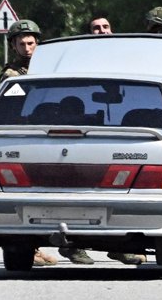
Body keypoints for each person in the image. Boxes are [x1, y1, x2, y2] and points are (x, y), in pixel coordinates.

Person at [54, 15, 145, 267]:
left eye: (105, 27)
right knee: (80, 190)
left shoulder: (124, 60)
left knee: (120, 192)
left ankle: (119, 247)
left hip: (120, 133)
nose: (101, 31)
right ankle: (74, 246)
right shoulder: (78, 60)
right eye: (95, 28)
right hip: (84, 132)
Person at [0, 20, 58, 266]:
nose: (27, 48)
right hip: (23, 134)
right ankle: (29, 249)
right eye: (21, 43)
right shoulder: (11, 75)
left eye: (31, 43)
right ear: (13, 46)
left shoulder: (49, 67)